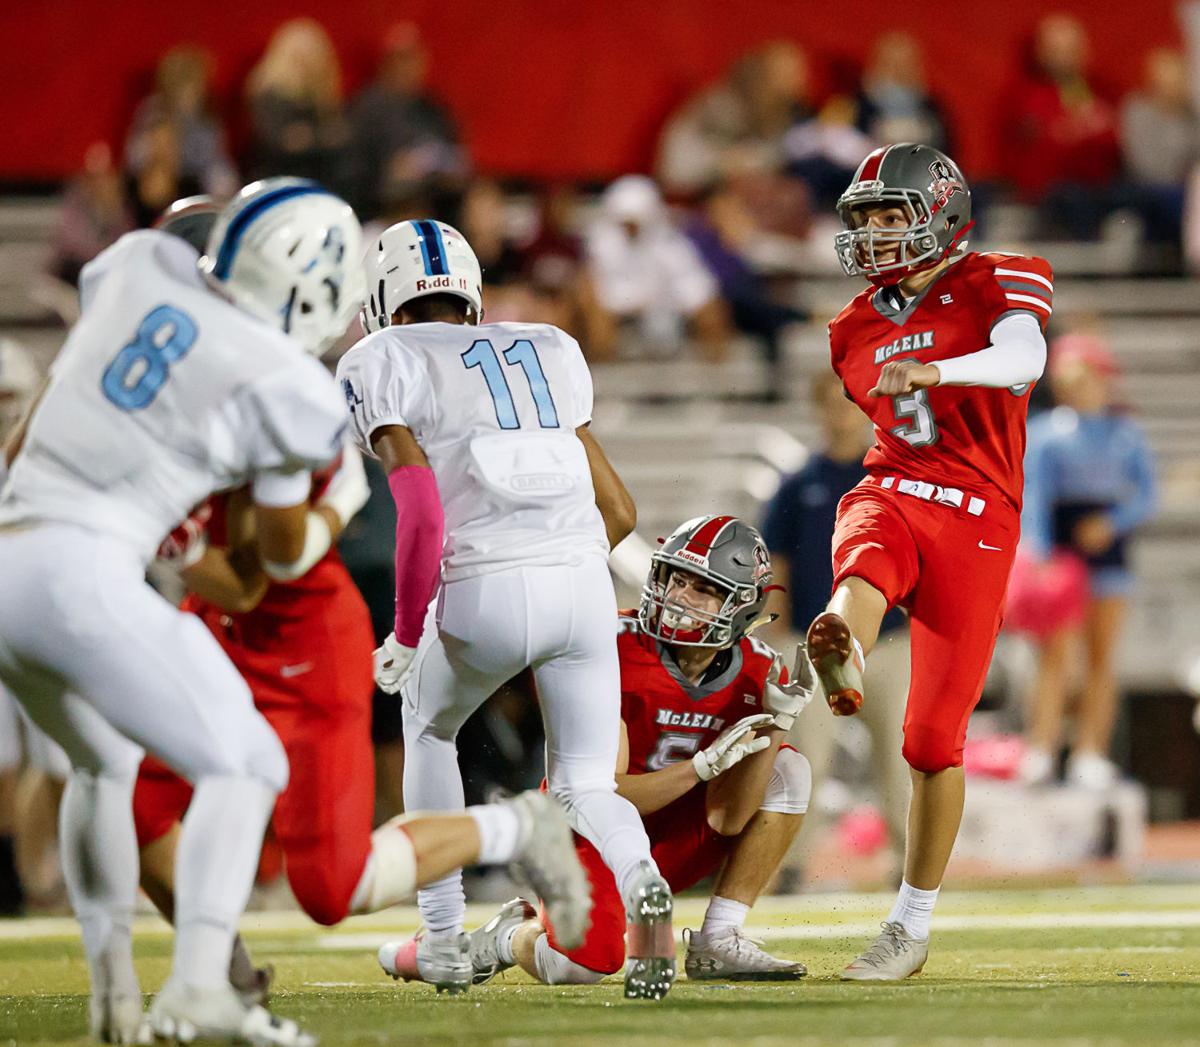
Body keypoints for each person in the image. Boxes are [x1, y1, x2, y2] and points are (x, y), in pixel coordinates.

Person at [0, 177, 367, 1043]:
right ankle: (201, 985)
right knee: (249, 760)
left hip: (10, 549)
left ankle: (115, 999)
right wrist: (340, 502)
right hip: (85, 569)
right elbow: (280, 555)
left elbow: (28, 430)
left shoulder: (136, 264)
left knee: (101, 764)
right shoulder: (289, 382)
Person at [336, 219, 676, 1000]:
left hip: (482, 584)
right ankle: (644, 881)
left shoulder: (382, 357)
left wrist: (407, 631)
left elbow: (422, 513)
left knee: (429, 728)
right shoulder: (547, 346)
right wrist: (560, 569)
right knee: (586, 782)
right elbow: (620, 510)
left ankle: (442, 936)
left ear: (383, 300)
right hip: (582, 580)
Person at [805, 143, 1052, 980]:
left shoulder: (998, 278)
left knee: (932, 741)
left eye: (891, 214)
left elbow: (1025, 360)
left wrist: (936, 369)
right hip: (895, 487)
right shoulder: (851, 328)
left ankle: (909, 926)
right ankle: (842, 639)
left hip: (978, 514)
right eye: (865, 218)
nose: (875, 232)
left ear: (942, 213)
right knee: (865, 552)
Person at [466, 516, 813, 987]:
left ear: (741, 606)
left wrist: (779, 721)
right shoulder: (609, 647)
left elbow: (729, 819)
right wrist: (699, 769)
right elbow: (603, 795)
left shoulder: (759, 671)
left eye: (703, 589)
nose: (681, 597)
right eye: (677, 579)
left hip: (673, 833)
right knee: (578, 967)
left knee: (788, 767)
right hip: (585, 832)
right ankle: (508, 936)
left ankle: (720, 937)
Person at [760, 372, 911, 882]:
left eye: (850, 403)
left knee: (902, 756)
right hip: (813, 642)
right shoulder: (798, 483)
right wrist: (781, 634)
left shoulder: (891, 477)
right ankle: (789, 867)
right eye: (832, 403)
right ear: (818, 410)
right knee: (805, 760)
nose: (842, 413)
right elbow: (775, 564)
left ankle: (912, 868)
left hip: (887, 641)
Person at [1018, 334, 1157, 789]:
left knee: (1100, 657)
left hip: (1107, 551)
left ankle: (1090, 751)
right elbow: (1035, 496)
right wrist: (1039, 551)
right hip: (1061, 553)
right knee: (1055, 657)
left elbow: (1146, 496)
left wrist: (1112, 523)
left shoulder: (1126, 434)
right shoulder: (1045, 432)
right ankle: (1042, 746)